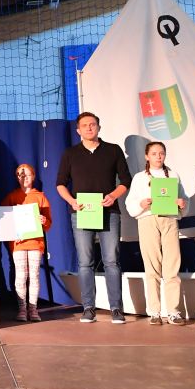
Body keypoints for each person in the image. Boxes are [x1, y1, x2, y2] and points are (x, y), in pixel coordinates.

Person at [56, 111, 132, 324]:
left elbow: (126, 180)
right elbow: (60, 183)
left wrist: (113, 196)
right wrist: (72, 201)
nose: (89, 128)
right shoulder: (70, 153)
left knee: (112, 261)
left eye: (93, 124)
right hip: (82, 213)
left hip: (109, 212)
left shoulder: (113, 150)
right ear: (78, 130)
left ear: (99, 127)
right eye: (85, 125)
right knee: (85, 262)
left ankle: (116, 309)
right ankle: (88, 308)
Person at [124, 141, 188, 326]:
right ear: (147, 156)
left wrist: (182, 204)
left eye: (161, 153)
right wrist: (141, 204)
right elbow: (130, 203)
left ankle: (173, 311)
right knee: (152, 266)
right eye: (154, 153)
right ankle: (155, 311)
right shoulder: (139, 178)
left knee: (172, 266)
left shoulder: (173, 175)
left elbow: (183, 198)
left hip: (169, 219)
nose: (158, 156)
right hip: (148, 220)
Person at [2, 163, 53, 321]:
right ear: (17, 177)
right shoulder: (12, 197)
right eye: (21, 175)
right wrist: (12, 233)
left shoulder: (40, 197)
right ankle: (22, 309)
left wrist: (44, 220)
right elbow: (4, 220)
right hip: (18, 244)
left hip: (35, 243)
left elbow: (48, 223)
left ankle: (33, 309)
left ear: (34, 177)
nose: (24, 178)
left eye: (28, 175)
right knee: (21, 276)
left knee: (34, 276)